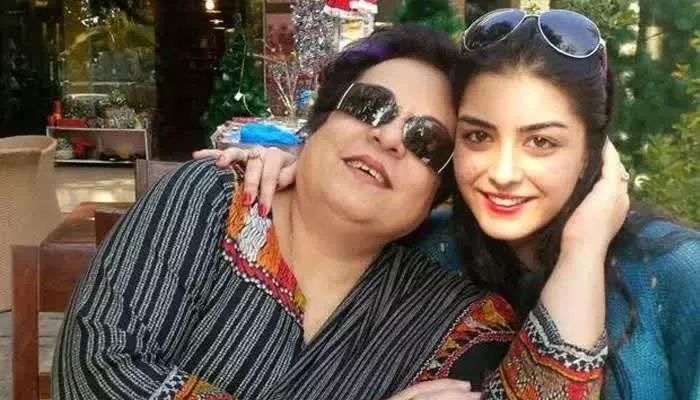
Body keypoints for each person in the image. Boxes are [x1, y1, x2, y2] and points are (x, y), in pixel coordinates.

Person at [52, 24, 627, 400]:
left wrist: (585, 243)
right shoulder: (209, 199)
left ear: (437, 195)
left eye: (426, 142)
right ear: (318, 125)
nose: (391, 139)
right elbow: (95, 374)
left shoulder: (446, 315)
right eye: (371, 107)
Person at [197, 9, 700, 400]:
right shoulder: (429, 249)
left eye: (541, 142)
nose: (503, 172)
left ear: (592, 150)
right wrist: (298, 164)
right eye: (479, 136)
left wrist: (584, 249)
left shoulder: (676, 275)